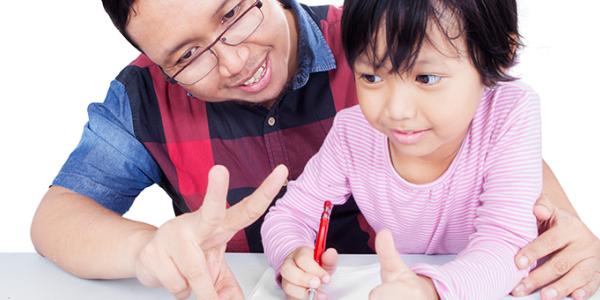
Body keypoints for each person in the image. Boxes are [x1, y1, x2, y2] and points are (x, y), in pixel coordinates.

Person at [29, 0, 599, 299]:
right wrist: (145, 250)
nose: (233, 61)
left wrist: (566, 224)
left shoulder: (379, 32)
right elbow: (56, 219)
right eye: (186, 55)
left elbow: (491, 147)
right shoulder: (141, 97)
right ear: (154, 61)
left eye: (233, 13)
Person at [260, 0, 598, 299]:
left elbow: (508, 244)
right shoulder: (354, 131)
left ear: (500, 57)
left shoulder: (509, 112)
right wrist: (293, 254)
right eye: (372, 77)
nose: (397, 110)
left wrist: (431, 289)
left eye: (427, 78)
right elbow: (288, 215)